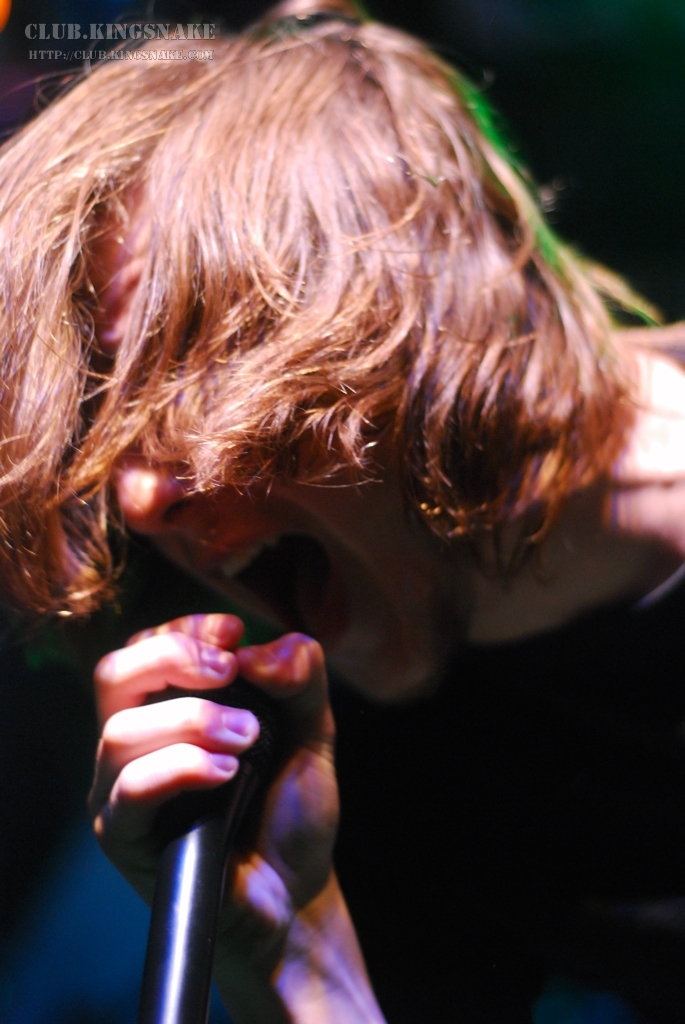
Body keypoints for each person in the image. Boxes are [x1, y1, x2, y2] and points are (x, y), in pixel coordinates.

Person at [2, 0, 685, 1020]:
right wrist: (293, 961)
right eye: (99, 423)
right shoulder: (352, 777)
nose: (139, 497)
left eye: (184, 375)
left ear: (406, 301)